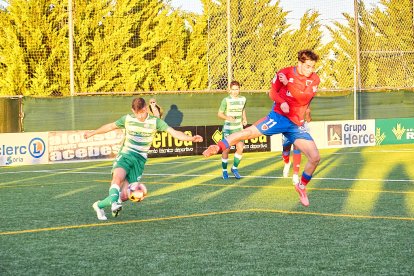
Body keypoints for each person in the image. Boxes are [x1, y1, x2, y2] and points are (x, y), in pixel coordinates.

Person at [203, 49, 320, 207]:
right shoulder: (284, 73)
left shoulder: (314, 79)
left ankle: (301, 186)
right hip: (278, 117)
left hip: (296, 124)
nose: (310, 70)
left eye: (312, 67)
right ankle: (218, 146)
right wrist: (282, 102)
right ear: (299, 63)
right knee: (249, 132)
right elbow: (272, 93)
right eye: (307, 66)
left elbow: (303, 98)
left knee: (314, 158)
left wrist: (289, 85)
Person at [85, 97, 203, 220]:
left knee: (126, 195)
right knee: (117, 178)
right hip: (126, 154)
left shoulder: (155, 122)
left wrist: (191, 138)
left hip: (140, 160)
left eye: (142, 112)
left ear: (146, 108)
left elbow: (173, 132)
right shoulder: (127, 119)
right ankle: (114, 203)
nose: (140, 116)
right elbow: (110, 126)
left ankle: (99, 205)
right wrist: (92, 133)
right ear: (133, 110)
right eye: (137, 113)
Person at [217, 80, 247, 179]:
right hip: (228, 129)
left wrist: (244, 119)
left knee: (240, 148)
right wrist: (228, 118)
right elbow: (219, 114)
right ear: (229, 90)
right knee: (226, 150)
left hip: (239, 129)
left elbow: (243, 109)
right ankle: (224, 171)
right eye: (233, 89)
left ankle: (234, 168)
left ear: (239, 89)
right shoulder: (226, 100)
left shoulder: (243, 99)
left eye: (237, 89)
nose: (235, 91)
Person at [281, 108, 311, 185]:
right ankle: (287, 163)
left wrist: (307, 113)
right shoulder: (286, 100)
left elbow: (308, 120)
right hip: (287, 126)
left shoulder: (304, 101)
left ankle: (295, 175)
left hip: (299, 128)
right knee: (286, 149)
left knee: (297, 147)